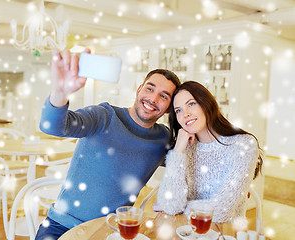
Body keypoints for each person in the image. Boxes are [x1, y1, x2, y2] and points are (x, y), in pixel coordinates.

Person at [36, 49, 181, 239]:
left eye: (164, 96)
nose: (153, 99)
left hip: (111, 231)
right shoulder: (102, 116)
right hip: (62, 226)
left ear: (169, 107)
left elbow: (185, 165)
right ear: (139, 89)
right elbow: (52, 126)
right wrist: (60, 91)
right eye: (150, 88)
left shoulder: (162, 139)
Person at [153, 81, 263, 223]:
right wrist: (178, 151)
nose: (185, 114)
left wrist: (180, 208)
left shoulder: (243, 145)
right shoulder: (184, 149)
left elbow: (221, 212)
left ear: (206, 103)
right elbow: (170, 204)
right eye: (178, 110)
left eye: (191, 104)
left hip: (224, 233)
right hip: (184, 231)